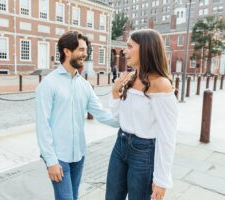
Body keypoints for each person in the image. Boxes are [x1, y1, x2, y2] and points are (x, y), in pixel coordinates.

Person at [35, 31, 119, 200]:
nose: (85, 54)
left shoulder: (85, 85)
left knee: (74, 197)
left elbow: (102, 114)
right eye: (81, 50)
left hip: (79, 154)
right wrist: (51, 161)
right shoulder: (48, 84)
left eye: (85, 50)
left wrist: (129, 122)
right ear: (67, 51)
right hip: (59, 157)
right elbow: (42, 125)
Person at [105, 29, 178, 200]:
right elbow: (117, 116)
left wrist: (161, 180)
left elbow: (167, 135)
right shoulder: (130, 77)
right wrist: (115, 93)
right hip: (120, 144)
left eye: (129, 46)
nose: (124, 51)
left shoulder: (161, 84)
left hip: (144, 152)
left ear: (145, 49)